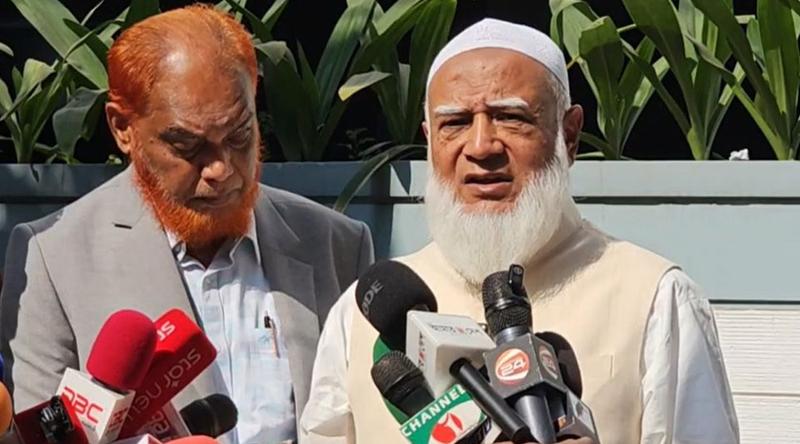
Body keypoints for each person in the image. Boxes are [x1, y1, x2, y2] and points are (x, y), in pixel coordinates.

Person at [300, 18, 739, 444]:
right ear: (429, 141)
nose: (480, 147)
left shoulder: (653, 298)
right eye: (454, 123)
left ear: (569, 136)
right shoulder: (359, 317)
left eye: (511, 118)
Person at [0, 5, 373, 443]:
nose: (221, 169)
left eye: (240, 136)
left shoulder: (337, 245)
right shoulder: (54, 258)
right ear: (123, 128)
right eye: (188, 146)